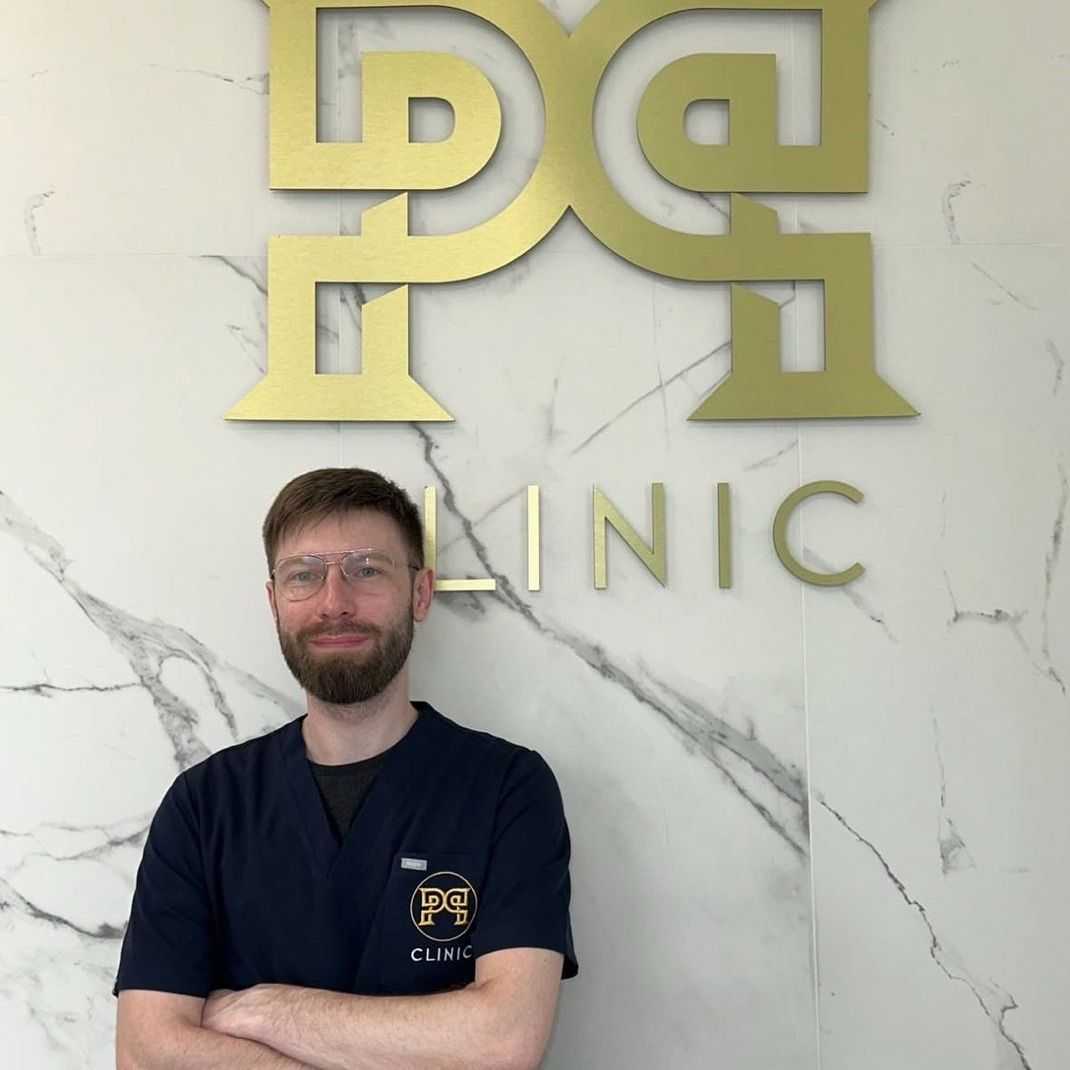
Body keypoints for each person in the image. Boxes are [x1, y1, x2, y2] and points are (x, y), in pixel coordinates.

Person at [114, 468, 577, 1070]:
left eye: (366, 570)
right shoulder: (205, 805)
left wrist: (267, 1012)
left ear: (420, 594)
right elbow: (146, 1053)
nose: (334, 602)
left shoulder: (508, 788)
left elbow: (504, 1040)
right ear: (275, 603)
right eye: (304, 575)